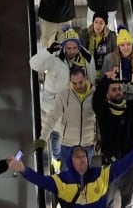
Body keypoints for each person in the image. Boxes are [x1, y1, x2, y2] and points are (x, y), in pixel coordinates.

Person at [10, 133, 133, 206]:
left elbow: (124, 164)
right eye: (77, 157)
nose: (82, 159)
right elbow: (41, 181)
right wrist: (23, 169)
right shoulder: (61, 181)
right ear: (70, 161)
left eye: (84, 156)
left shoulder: (101, 174)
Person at [29, 26, 95, 169]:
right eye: (69, 48)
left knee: (60, 135)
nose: (72, 51)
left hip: (72, 109)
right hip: (52, 106)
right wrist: (48, 51)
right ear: (64, 46)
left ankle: (58, 160)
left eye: (74, 48)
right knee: (55, 134)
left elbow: (92, 81)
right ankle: (56, 159)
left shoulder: (86, 59)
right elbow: (33, 64)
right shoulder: (54, 58)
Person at [93, 76, 133, 207]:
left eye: (119, 89)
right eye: (114, 90)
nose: (118, 92)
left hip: (129, 161)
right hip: (110, 164)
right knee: (108, 198)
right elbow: (96, 101)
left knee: (128, 198)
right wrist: (106, 79)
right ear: (107, 94)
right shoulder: (103, 111)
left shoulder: (130, 108)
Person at [35, 67, 97, 172]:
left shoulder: (95, 94)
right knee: (66, 179)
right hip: (68, 145)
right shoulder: (64, 94)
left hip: (87, 144)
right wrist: (43, 138)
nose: (77, 86)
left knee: (83, 177)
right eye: (74, 83)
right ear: (70, 81)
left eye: (80, 82)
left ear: (86, 78)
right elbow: (52, 116)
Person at [101, 27, 133, 101]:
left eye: (129, 44)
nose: (126, 48)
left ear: (132, 45)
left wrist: (123, 87)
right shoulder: (108, 59)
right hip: (113, 101)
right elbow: (102, 84)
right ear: (118, 47)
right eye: (122, 45)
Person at [78, 11, 117, 80]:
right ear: (93, 22)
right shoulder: (84, 34)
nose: (98, 25)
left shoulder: (111, 37)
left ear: (105, 24)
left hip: (105, 71)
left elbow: (115, 54)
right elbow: (80, 52)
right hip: (88, 70)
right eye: (96, 22)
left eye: (101, 23)